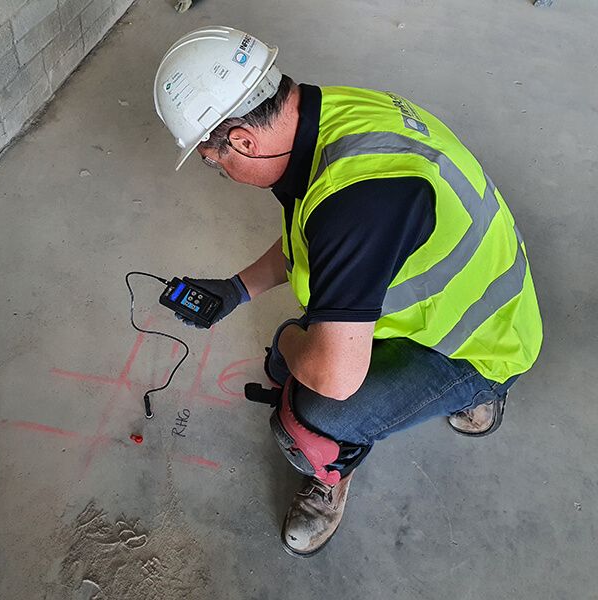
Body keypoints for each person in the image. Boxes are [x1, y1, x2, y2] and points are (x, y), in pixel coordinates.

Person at [153, 26, 542, 557]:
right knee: (317, 350)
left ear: (243, 140)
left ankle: (470, 398)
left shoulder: (355, 205)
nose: (217, 167)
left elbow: (335, 378)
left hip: (481, 343)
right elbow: (310, 236)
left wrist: (288, 340)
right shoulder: (325, 114)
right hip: (473, 297)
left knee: (308, 415)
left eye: (211, 157)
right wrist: (237, 290)